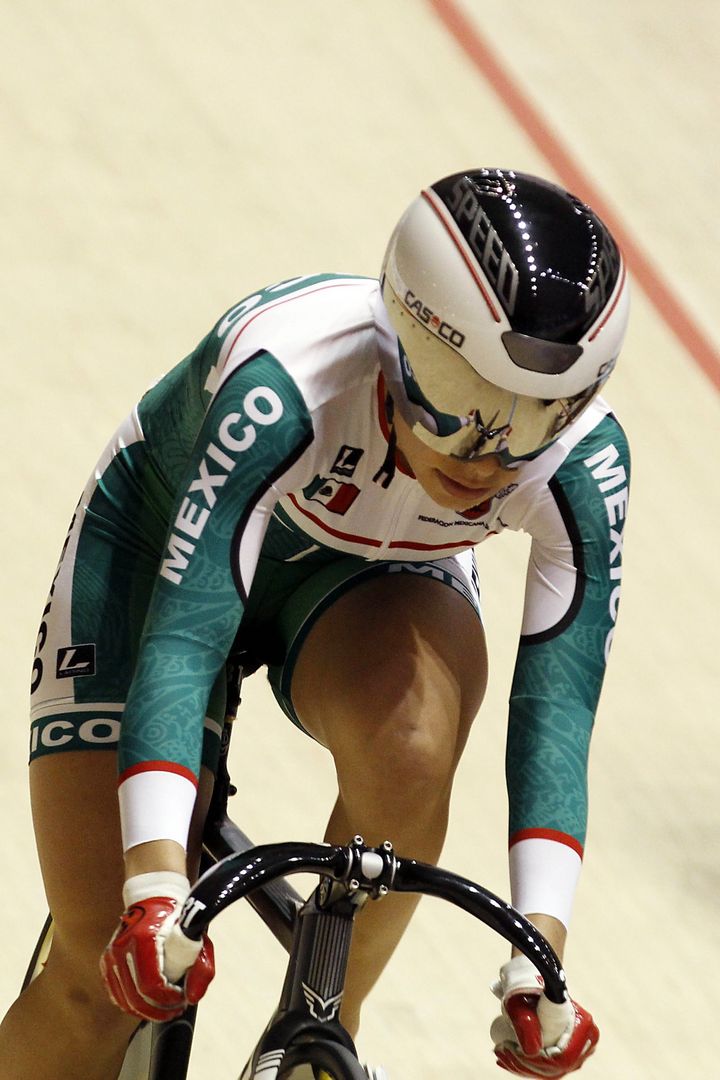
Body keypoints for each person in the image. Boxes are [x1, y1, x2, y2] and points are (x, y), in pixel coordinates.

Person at [0, 168, 630, 1079]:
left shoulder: (584, 469)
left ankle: (320, 1024)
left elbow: (558, 716)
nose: (486, 454)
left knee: (414, 750)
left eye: (537, 417)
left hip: (375, 577)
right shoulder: (287, 381)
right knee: (97, 982)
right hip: (160, 543)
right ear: (400, 335)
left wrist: (540, 957)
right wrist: (149, 893)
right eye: (459, 394)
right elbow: (183, 636)